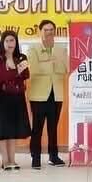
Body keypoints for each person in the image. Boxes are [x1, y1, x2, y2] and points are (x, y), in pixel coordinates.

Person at [26, 20, 69, 169]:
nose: (49, 32)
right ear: (40, 31)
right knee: (37, 128)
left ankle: (53, 156)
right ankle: (35, 157)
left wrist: (46, 63)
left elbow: (65, 69)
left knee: (53, 128)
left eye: (51, 30)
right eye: (46, 30)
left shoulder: (61, 49)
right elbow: (34, 69)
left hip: (56, 94)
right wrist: (53, 63)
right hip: (38, 95)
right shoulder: (33, 48)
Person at [0, 30, 32, 171]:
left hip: (17, 97)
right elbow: (3, 77)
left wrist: (15, 73)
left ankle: (12, 160)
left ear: (16, 42)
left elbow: (26, 74)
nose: (10, 43)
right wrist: (17, 72)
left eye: (12, 40)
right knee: (3, 130)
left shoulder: (21, 57)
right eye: (7, 41)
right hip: (3, 98)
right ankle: (5, 161)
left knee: (13, 130)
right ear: (2, 43)